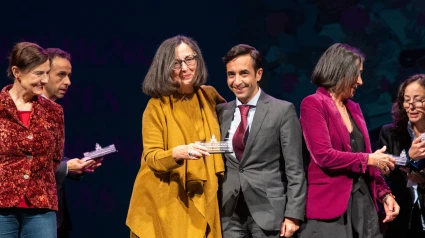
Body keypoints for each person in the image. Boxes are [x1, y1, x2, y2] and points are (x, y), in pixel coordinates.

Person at [126, 35, 226, 238]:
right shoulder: (156, 106)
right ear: (165, 67)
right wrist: (177, 153)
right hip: (166, 200)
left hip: (204, 192)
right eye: (176, 63)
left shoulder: (210, 96)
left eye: (190, 59)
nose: (185, 68)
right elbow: (152, 157)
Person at [299, 43, 399, 238]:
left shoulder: (353, 107)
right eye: (357, 73)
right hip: (330, 210)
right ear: (340, 71)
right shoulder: (313, 104)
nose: (360, 81)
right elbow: (323, 156)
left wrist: (384, 194)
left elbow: (370, 157)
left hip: (363, 206)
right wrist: (369, 159)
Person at [217, 44, 306, 238]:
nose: (237, 81)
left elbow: (295, 168)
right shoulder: (221, 112)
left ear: (258, 74)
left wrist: (293, 214)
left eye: (244, 73)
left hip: (269, 213)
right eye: (231, 75)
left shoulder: (282, 110)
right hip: (228, 214)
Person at [0, 42, 65, 237]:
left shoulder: (54, 112)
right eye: (38, 73)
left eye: (47, 73)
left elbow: (55, 158)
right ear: (16, 72)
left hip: (41, 206)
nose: (45, 80)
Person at [43, 47, 103, 238]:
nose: (68, 82)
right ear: (42, 74)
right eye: (61, 75)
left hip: (56, 215)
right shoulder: (24, 112)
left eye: (69, 75)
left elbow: (49, 159)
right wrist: (66, 168)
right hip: (31, 216)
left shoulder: (55, 111)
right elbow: (24, 164)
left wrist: (75, 165)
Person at [378, 74, 425, 237]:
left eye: (418, 99)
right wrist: (410, 158)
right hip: (402, 218)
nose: (411, 106)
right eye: (406, 100)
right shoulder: (390, 133)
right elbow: (382, 171)